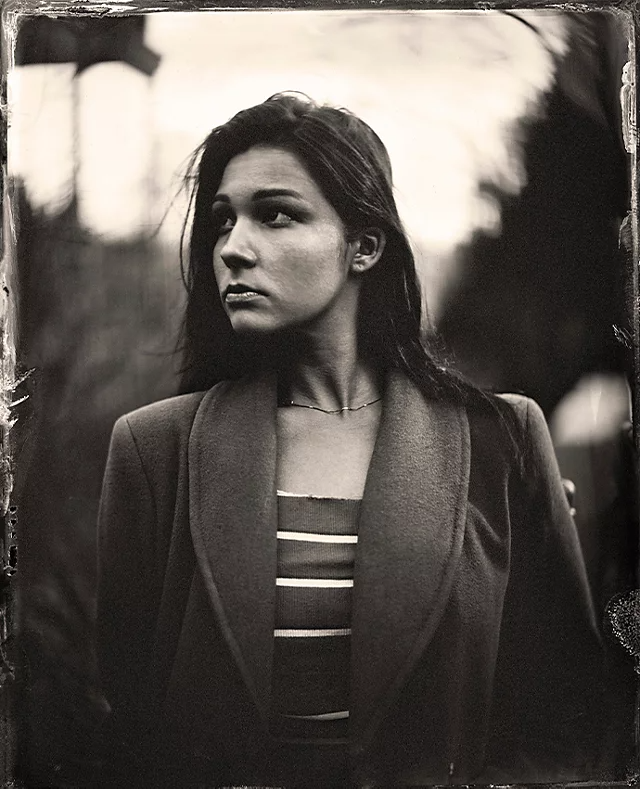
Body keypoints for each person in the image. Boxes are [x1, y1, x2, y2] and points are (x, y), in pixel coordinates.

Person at [96, 93, 605, 787]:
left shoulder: (502, 440)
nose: (233, 249)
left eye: (276, 213)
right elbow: (125, 727)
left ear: (364, 245)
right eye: (222, 221)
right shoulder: (153, 452)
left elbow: (570, 714)